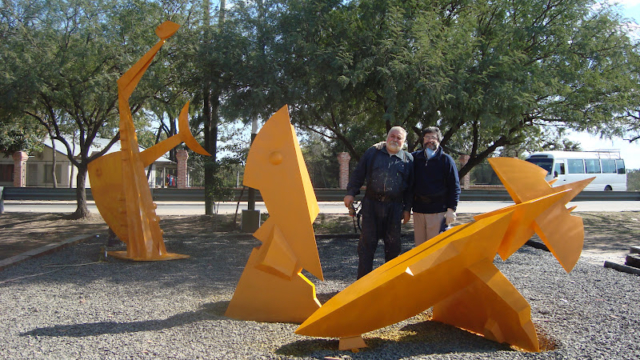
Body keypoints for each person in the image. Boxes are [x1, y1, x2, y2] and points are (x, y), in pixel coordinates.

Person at [344, 126, 414, 279]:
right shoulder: (372, 153)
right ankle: (362, 287)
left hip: (394, 209)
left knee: (393, 248)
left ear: (404, 142)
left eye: (399, 138)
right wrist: (350, 193)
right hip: (371, 206)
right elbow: (358, 174)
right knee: (366, 247)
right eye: (392, 136)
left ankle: (390, 285)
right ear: (387, 136)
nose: (395, 140)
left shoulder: (408, 160)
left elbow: (410, 188)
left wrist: (407, 209)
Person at [412, 127, 461, 246]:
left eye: (433, 137)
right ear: (423, 140)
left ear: (438, 140)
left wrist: (451, 209)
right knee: (419, 249)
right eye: (427, 137)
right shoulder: (414, 158)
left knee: (434, 249)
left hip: (438, 211)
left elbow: (454, 186)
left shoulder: (446, 160)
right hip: (418, 211)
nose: (430, 140)